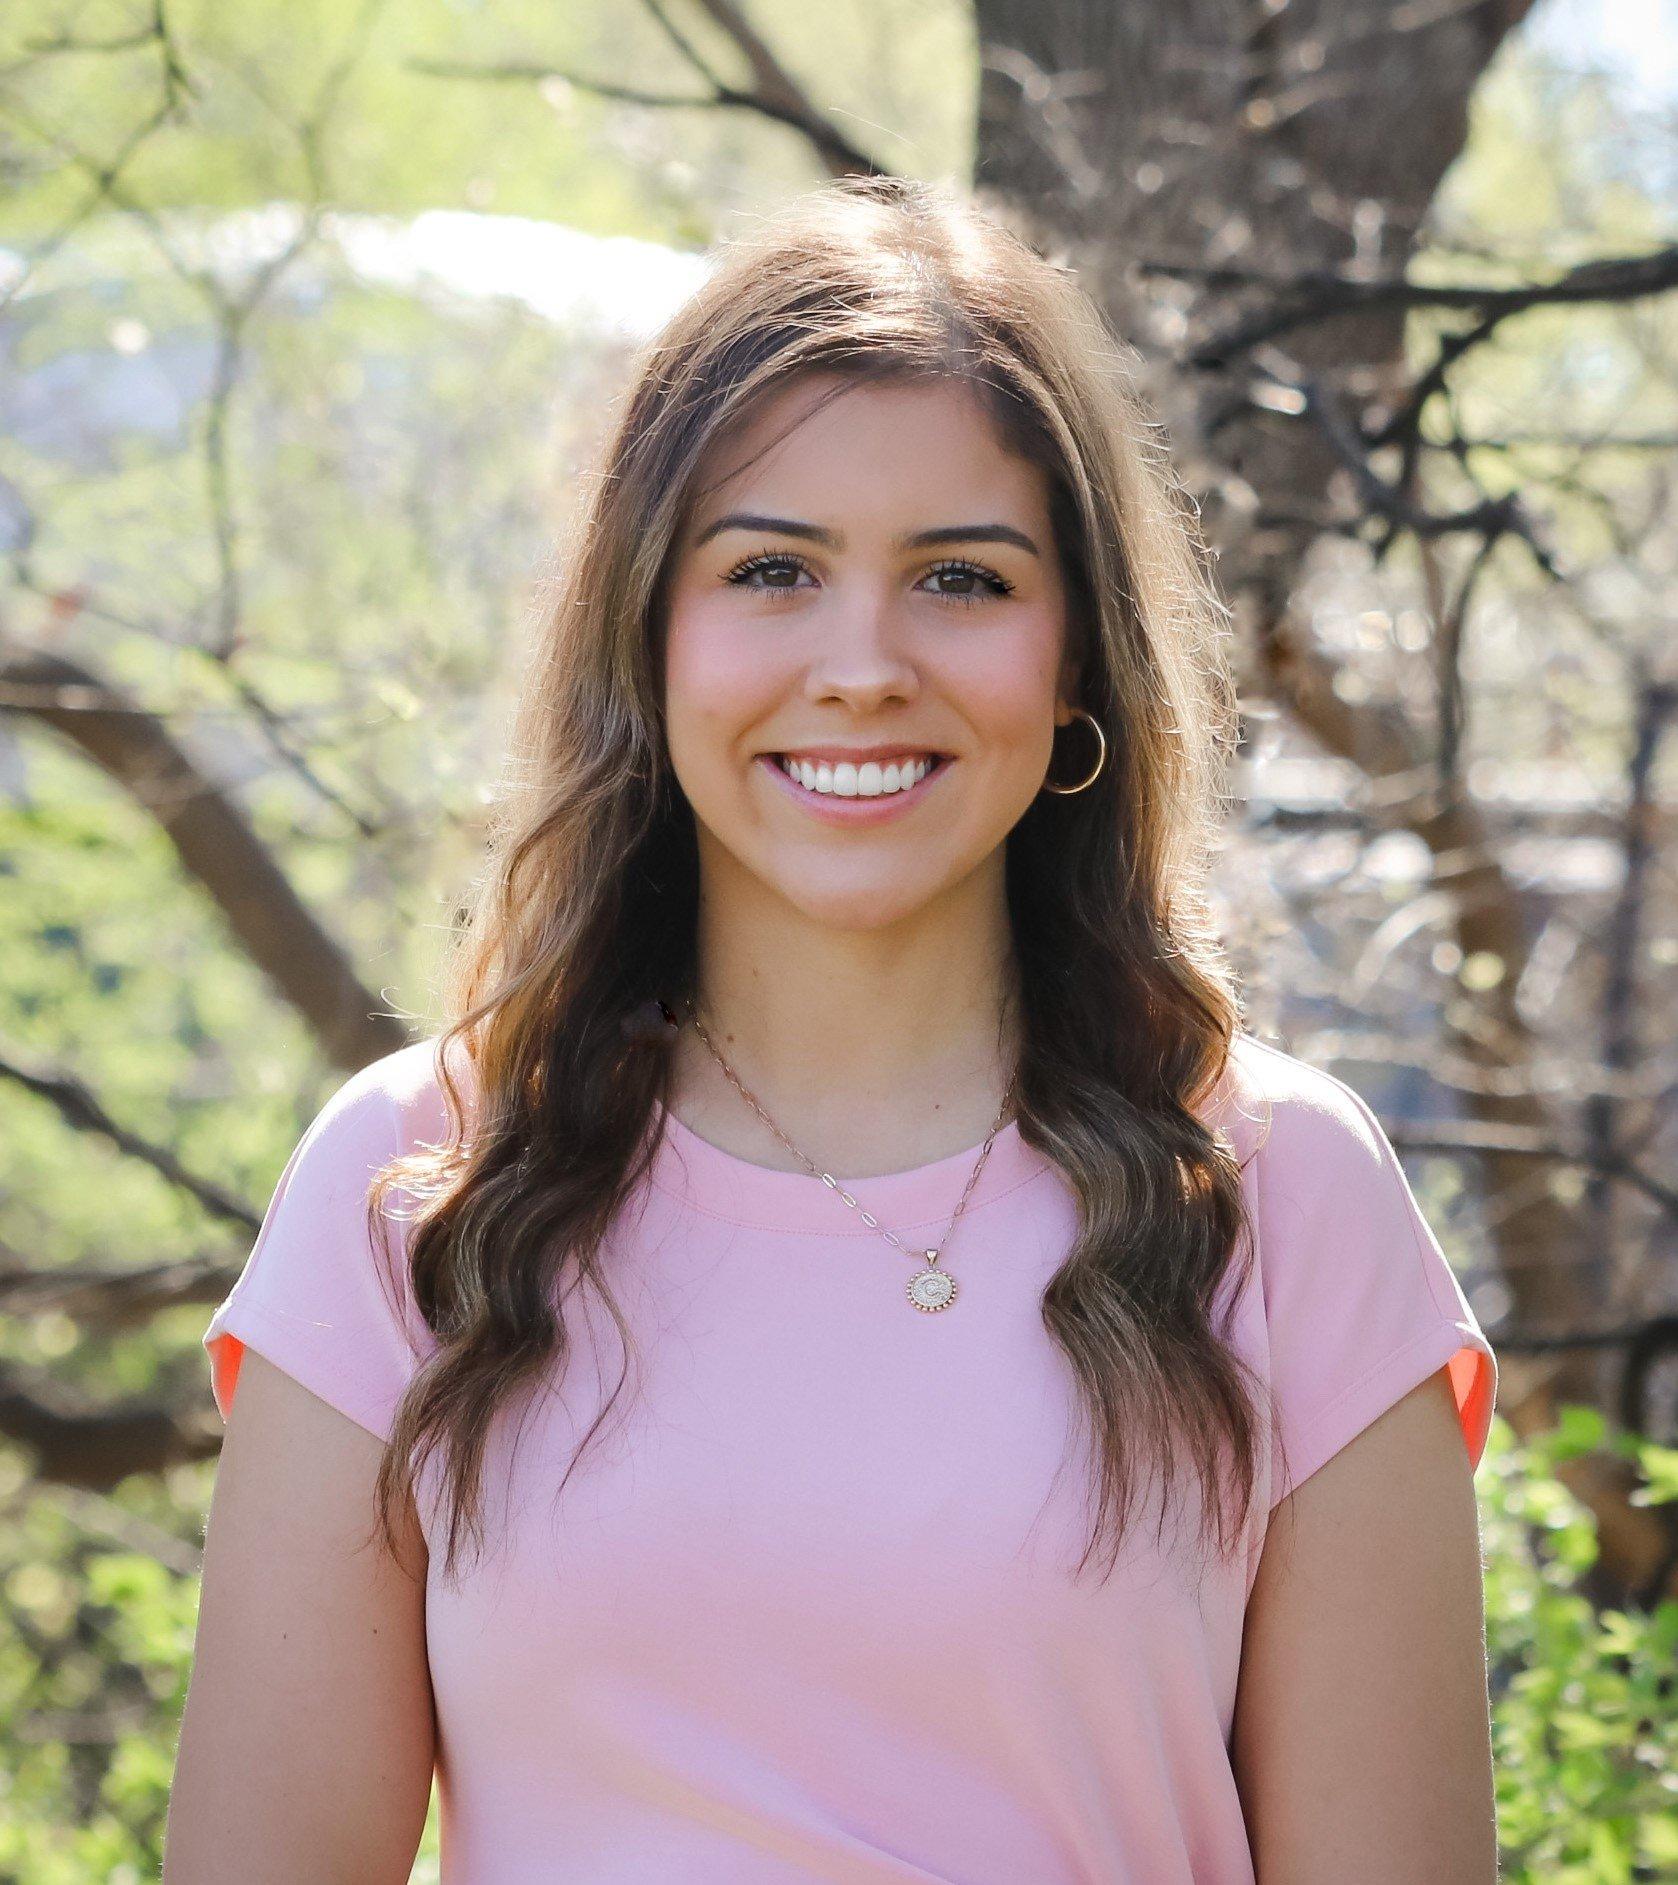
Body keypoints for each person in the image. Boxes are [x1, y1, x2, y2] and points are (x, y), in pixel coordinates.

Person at [165, 174, 1500, 1884]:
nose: (862, 662)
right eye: (772, 568)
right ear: (647, 638)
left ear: (1075, 659)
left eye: (959, 576)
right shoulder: (409, 1183)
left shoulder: (1281, 1194)